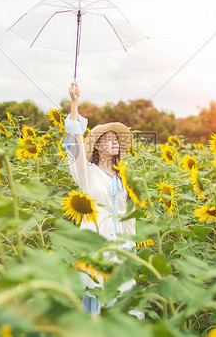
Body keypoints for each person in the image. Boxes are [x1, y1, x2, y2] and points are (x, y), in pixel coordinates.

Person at [62, 81, 144, 319]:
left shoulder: (123, 177)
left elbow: (129, 215)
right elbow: (74, 145)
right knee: (98, 294)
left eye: (116, 139)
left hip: (122, 244)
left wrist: (133, 246)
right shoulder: (86, 172)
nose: (114, 141)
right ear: (96, 145)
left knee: (122, 301)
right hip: (96, 240)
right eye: (107, 139)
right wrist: (75, 103)